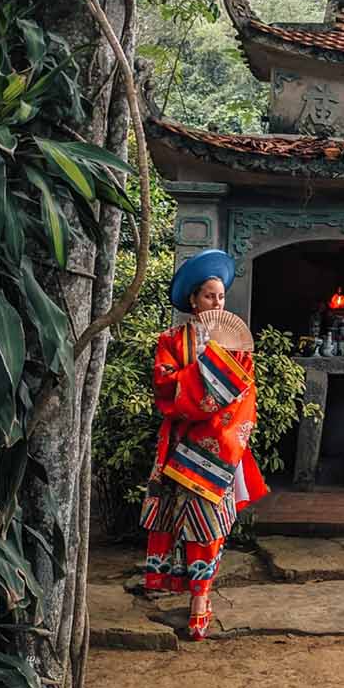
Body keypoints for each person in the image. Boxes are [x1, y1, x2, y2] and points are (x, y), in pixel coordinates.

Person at [140, 249, 267, 639]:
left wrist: (210, 416)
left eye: (221, 297)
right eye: (210, 296)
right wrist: (206, 373)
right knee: (173, 519)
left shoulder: (237, 345)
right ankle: (180, 587)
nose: (217, 303)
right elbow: (165, 384)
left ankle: (201, 597)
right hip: (179, 444)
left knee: (206, 524)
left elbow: (244, 396)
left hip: (215, 450)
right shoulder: (171, 340)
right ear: (193, 300)